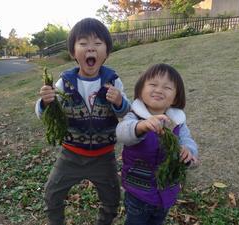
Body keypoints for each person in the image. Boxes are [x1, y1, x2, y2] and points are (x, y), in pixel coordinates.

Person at [35, 18, 130, 225]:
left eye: (97, 44)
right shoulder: (65, 82)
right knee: (52, 194)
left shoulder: (113, 81)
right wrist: (45, 102)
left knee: (112, 199)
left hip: (104, 157)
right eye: (83, 43)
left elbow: (126, 113)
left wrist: (119, 101)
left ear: (106, 52)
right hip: (70, 155)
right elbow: (44, 115)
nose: (91, 49)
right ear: (73, 52)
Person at [116, 63, 198, 225]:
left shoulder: (177, 122)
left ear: (176, 97)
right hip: (138, 192)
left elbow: (187, 140)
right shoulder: (134, 116)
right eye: (153, 84)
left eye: (167, 88)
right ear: (140, 90)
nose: (159, 90)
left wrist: (189, 151)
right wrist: (141, 127)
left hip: (166, 192)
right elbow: (122, 132)